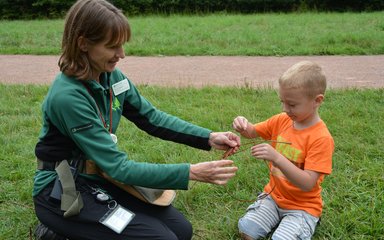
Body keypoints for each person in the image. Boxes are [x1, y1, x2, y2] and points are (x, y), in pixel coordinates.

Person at [32, 0, 240, 239]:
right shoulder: (68, 97)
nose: (121, 54)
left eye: (121, 45)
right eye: (112, 46)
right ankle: (55, 231)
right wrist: (191, 172)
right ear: (83, 44)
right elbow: (119, 168)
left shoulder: (112, 76)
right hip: (63, 188)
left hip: (98, 178)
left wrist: (209, 137)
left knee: (182, 231)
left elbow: (151, 118)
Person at [232, 61, 334, 240]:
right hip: (273, 197)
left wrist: (277, 158)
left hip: (303, 206)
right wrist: (243, 124)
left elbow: (307, 183)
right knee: (246, 230)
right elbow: (252, 131)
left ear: (317, 101)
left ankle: (308, 221)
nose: (285, 109)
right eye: (283, 102)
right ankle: (274, 215)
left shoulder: (321, 138)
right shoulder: (281, 120)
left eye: (292, 105)